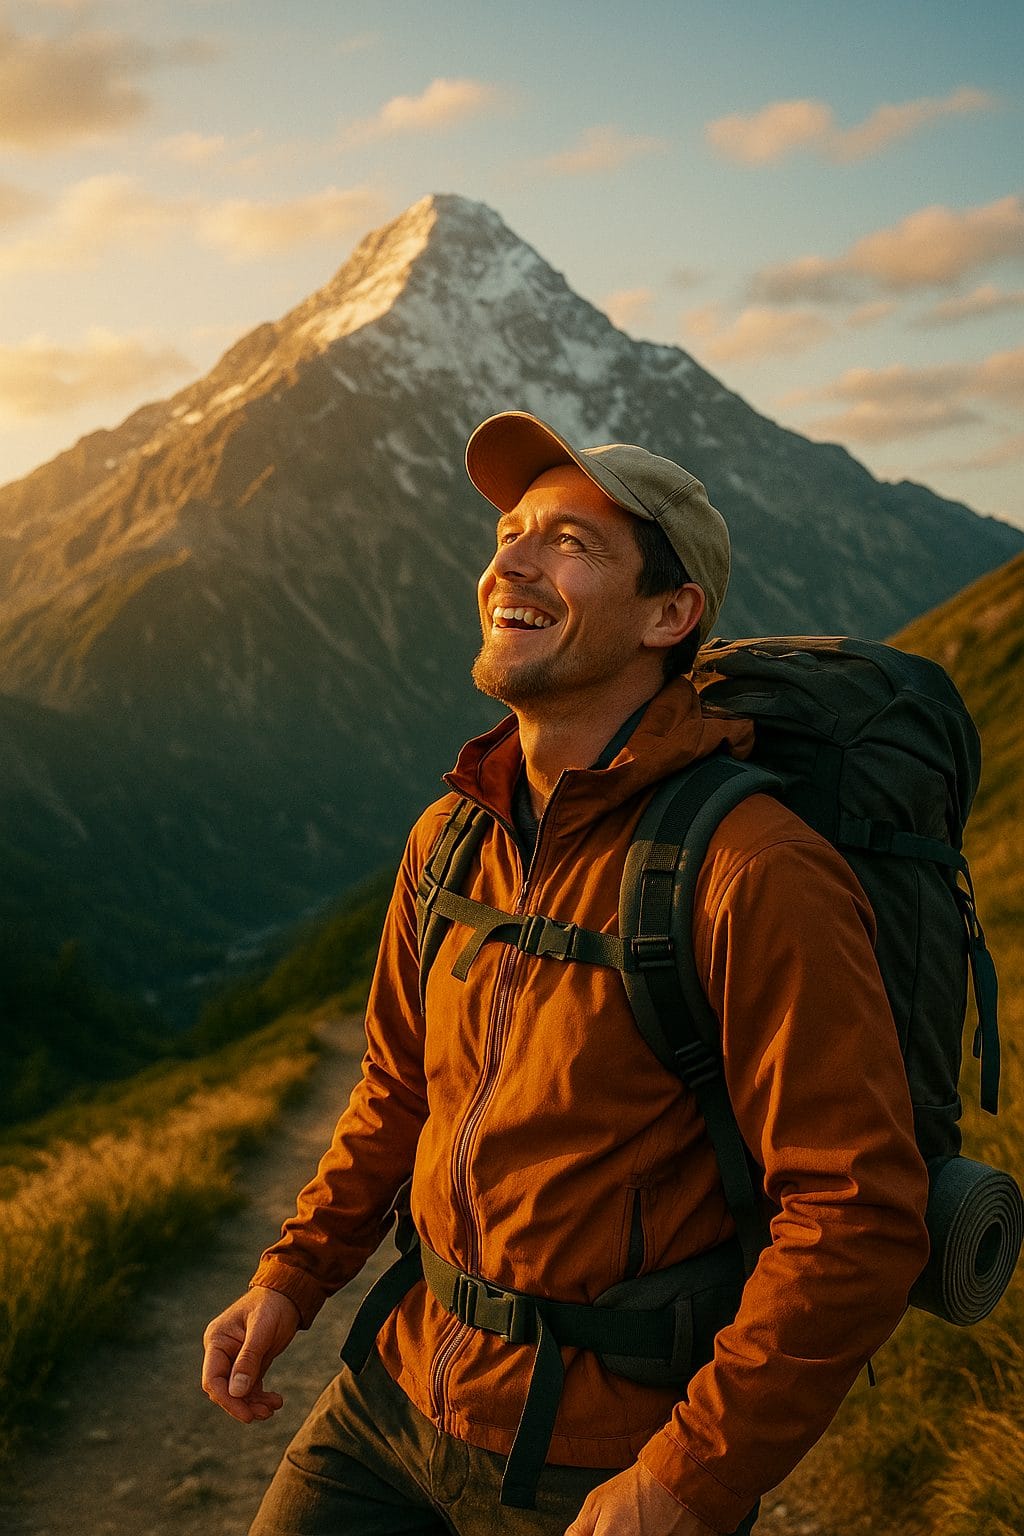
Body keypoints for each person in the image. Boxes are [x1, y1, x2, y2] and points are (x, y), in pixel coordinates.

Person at [202, 410, 930, 1536]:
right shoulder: (448, 835)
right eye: (509, 531)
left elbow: (854, 1213)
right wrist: (290, 1280)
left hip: (597, 1464)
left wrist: (689, 1479)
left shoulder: (751, 872)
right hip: (389, 1398)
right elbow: (399, 1091)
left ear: (668, 616)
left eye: (570, 544)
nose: (511, 561)